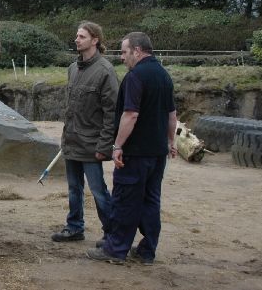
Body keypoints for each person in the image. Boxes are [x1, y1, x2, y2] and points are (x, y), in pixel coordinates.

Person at [86, 32, 178, 265]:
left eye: (125, 52)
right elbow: (171, 115)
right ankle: (147, 251)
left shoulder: (135, 76)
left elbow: (130, 114)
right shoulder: (163, 75)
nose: (122, 57)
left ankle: (115, 250)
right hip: (157, 154)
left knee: (125, 201)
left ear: (137, 51)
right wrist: (171, 142)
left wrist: (117, 145)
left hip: (136, 154)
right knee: (150, 201)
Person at [51, 21, 119, 244]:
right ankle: (74, 227)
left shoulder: (105, 71)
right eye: (77, 36)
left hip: (92, 145)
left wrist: (104, 146)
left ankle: (112, 234)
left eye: (81, 36)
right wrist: (65, 139)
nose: (76, 40)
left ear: (95, 40)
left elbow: (112, 113)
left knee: (99, 192)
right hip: (71, 142)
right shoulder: (73, 68)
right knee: (73, 189)